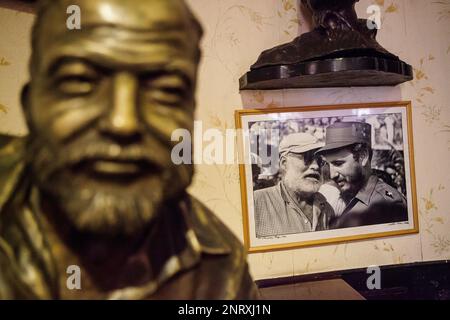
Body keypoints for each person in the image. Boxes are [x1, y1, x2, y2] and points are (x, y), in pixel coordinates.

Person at [0, 0, 257, 299]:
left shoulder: (222, 270)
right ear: (30, 105)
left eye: (167, 90)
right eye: (80, 80)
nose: (124, 122)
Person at [316, 122, 408, 229]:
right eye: (328, 165)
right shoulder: (349, 197)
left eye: (338, 164)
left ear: (363, 157)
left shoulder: (388, 205)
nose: (332, 175)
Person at [254, 133, 333, 238]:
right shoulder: (257, 202)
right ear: (284, 163)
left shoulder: (327, 209)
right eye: (307, 158)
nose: (315, 166)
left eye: (319, 161)